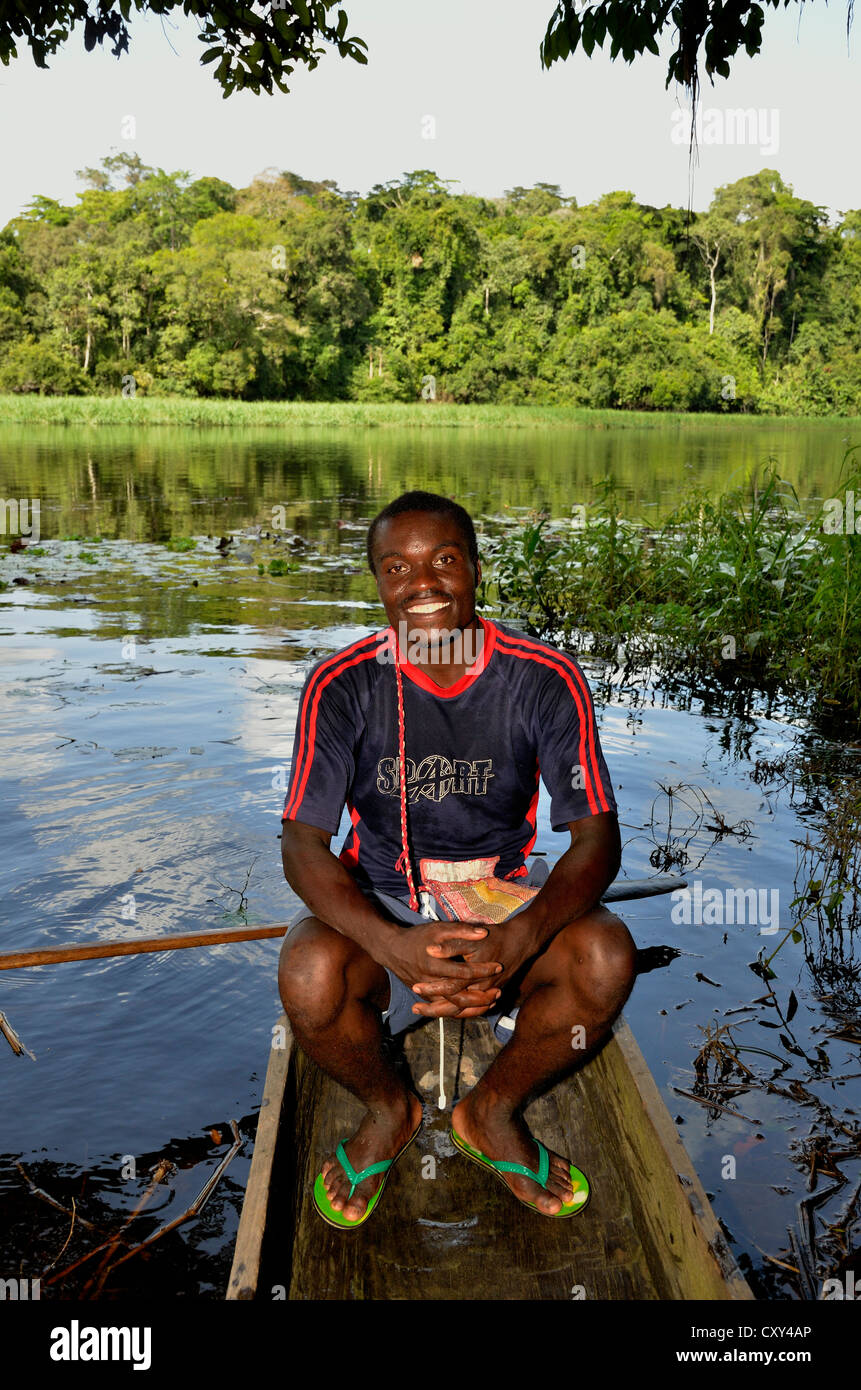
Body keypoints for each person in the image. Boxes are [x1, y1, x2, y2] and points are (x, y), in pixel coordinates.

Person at [278, 490, 636, 1228]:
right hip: (385, 903)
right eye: (396, 567)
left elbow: (596, 839)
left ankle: (491, 1111)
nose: (422, 583)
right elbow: (302, 844)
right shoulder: (341, 684)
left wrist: (520, 938)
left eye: (443, 560)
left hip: (501, 900)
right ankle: (389, 1108)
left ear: (474, 567)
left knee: (604, 959)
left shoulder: (543, 677)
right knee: (309, 974)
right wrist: (392, 945)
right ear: (378, 582)